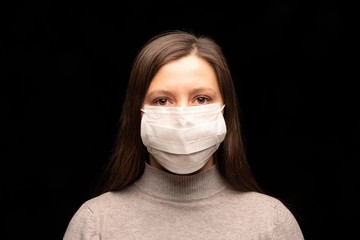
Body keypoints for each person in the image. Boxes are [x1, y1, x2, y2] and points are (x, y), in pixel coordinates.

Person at [63, 30, 304, 239]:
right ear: (138, 113)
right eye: (163, 100)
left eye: (201, 99)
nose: (182, 116)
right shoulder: (96, 223)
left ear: (225, 111)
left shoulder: (270, 222)